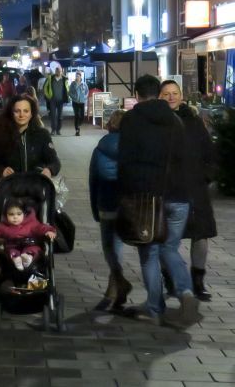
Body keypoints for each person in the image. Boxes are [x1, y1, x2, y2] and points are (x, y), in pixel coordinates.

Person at [118, 74, 198, 325]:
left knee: (149, 252)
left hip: (148, 198)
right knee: (170, 248)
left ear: (137, 93)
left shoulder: (131, 120)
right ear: (159, 93)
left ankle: (154, 308)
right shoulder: (175, 120)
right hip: (179, 196)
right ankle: (185, 291)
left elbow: (126, 160)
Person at [158, 80, 217, 302]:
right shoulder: (157, 123)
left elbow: (210, 153)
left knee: (201, 235)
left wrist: (206, 176)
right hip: (167, 190)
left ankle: (198, 281)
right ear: (159, 97)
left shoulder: (194, 122)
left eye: (175, 93)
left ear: (181, 96)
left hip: (195, 189)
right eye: (166, 94)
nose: (171, 97)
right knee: (165, 238)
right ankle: (171, 280)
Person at [0, 94, 61, 230]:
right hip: (9, 186)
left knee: (46, 201)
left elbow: (55, 161)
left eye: (26, 111)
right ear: (11, 113)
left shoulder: (42, 135)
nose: (22, 115)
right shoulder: (0, 134)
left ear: (32, 113)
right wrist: (1, 170)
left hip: (34, 185)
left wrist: (49, 169)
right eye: (17, 111)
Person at [89, 109, 131, 311]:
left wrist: (94, 208)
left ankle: (117, 282)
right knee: (122, 246)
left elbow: (93, 181)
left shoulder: (100, 149)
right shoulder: (135, 148)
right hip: (131, 204)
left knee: (110, 247)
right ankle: (115, 286)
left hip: (106, 201)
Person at [0, 197, 57, 271]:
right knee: (10, 251)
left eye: (19, 214)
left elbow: (40, 227)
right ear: (5, 215)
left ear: (24, 214)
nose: (15, 217)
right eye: (11, 214)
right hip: (12, 245)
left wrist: (49, 231)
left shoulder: (31, 223)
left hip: (30, 244)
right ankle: (16, 260)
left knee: (34, 249)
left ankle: (27, 258)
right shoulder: (3, 225)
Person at [43, 66, 70, 135]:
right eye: (57, 70)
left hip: (61, 101)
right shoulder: (50, 78)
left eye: (59, 71)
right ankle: (53, 129)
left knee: (60, 116)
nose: (58, 72)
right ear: (55, 71)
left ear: (62, 71)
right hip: (52, 100)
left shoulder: (64, 79)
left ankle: (58, 130)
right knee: (53, 115)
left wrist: (67, 96)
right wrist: (48, 96)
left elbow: (67, 88)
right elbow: (45, 87)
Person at [69, 71, 89, 136]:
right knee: (77, 115)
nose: (77, 77)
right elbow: (70, 92)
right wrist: (74, 97)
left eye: (78, 76)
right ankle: (77, 129)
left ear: (80, 77)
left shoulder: (84, 84)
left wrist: (84, 97)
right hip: (75, 102)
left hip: (82, 102)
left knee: (82, 116)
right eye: (76, 76)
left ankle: (78, 124)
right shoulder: (73, 84)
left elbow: (87, 92)